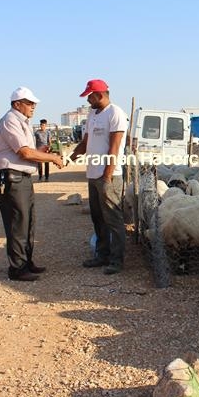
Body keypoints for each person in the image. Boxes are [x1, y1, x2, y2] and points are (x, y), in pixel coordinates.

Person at [0, 87, 64, 281]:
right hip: (11, 176)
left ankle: (26, 262)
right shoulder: (10, 120)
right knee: (18, 222)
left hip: (21, 176)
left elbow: (28, 151)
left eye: (34, 103)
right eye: (29, 103)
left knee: (28, 221)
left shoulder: (22, 122)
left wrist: (41, 151)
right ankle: (17, 268)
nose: (34, 107)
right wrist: (51, 157)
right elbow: (24, 152)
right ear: (17, 104)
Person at [69, 79, 128, 275]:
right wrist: (68, 158)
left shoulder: (116, 114)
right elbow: (85, 143)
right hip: (93, 174)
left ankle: (117, 260)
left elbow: (114, 146)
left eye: (90, 96)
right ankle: (102, 255)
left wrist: (107, 175)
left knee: (113, 218)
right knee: (98, 217)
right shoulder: (92, 114)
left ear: (100, 95)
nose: (88, 100)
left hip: (108, 176)